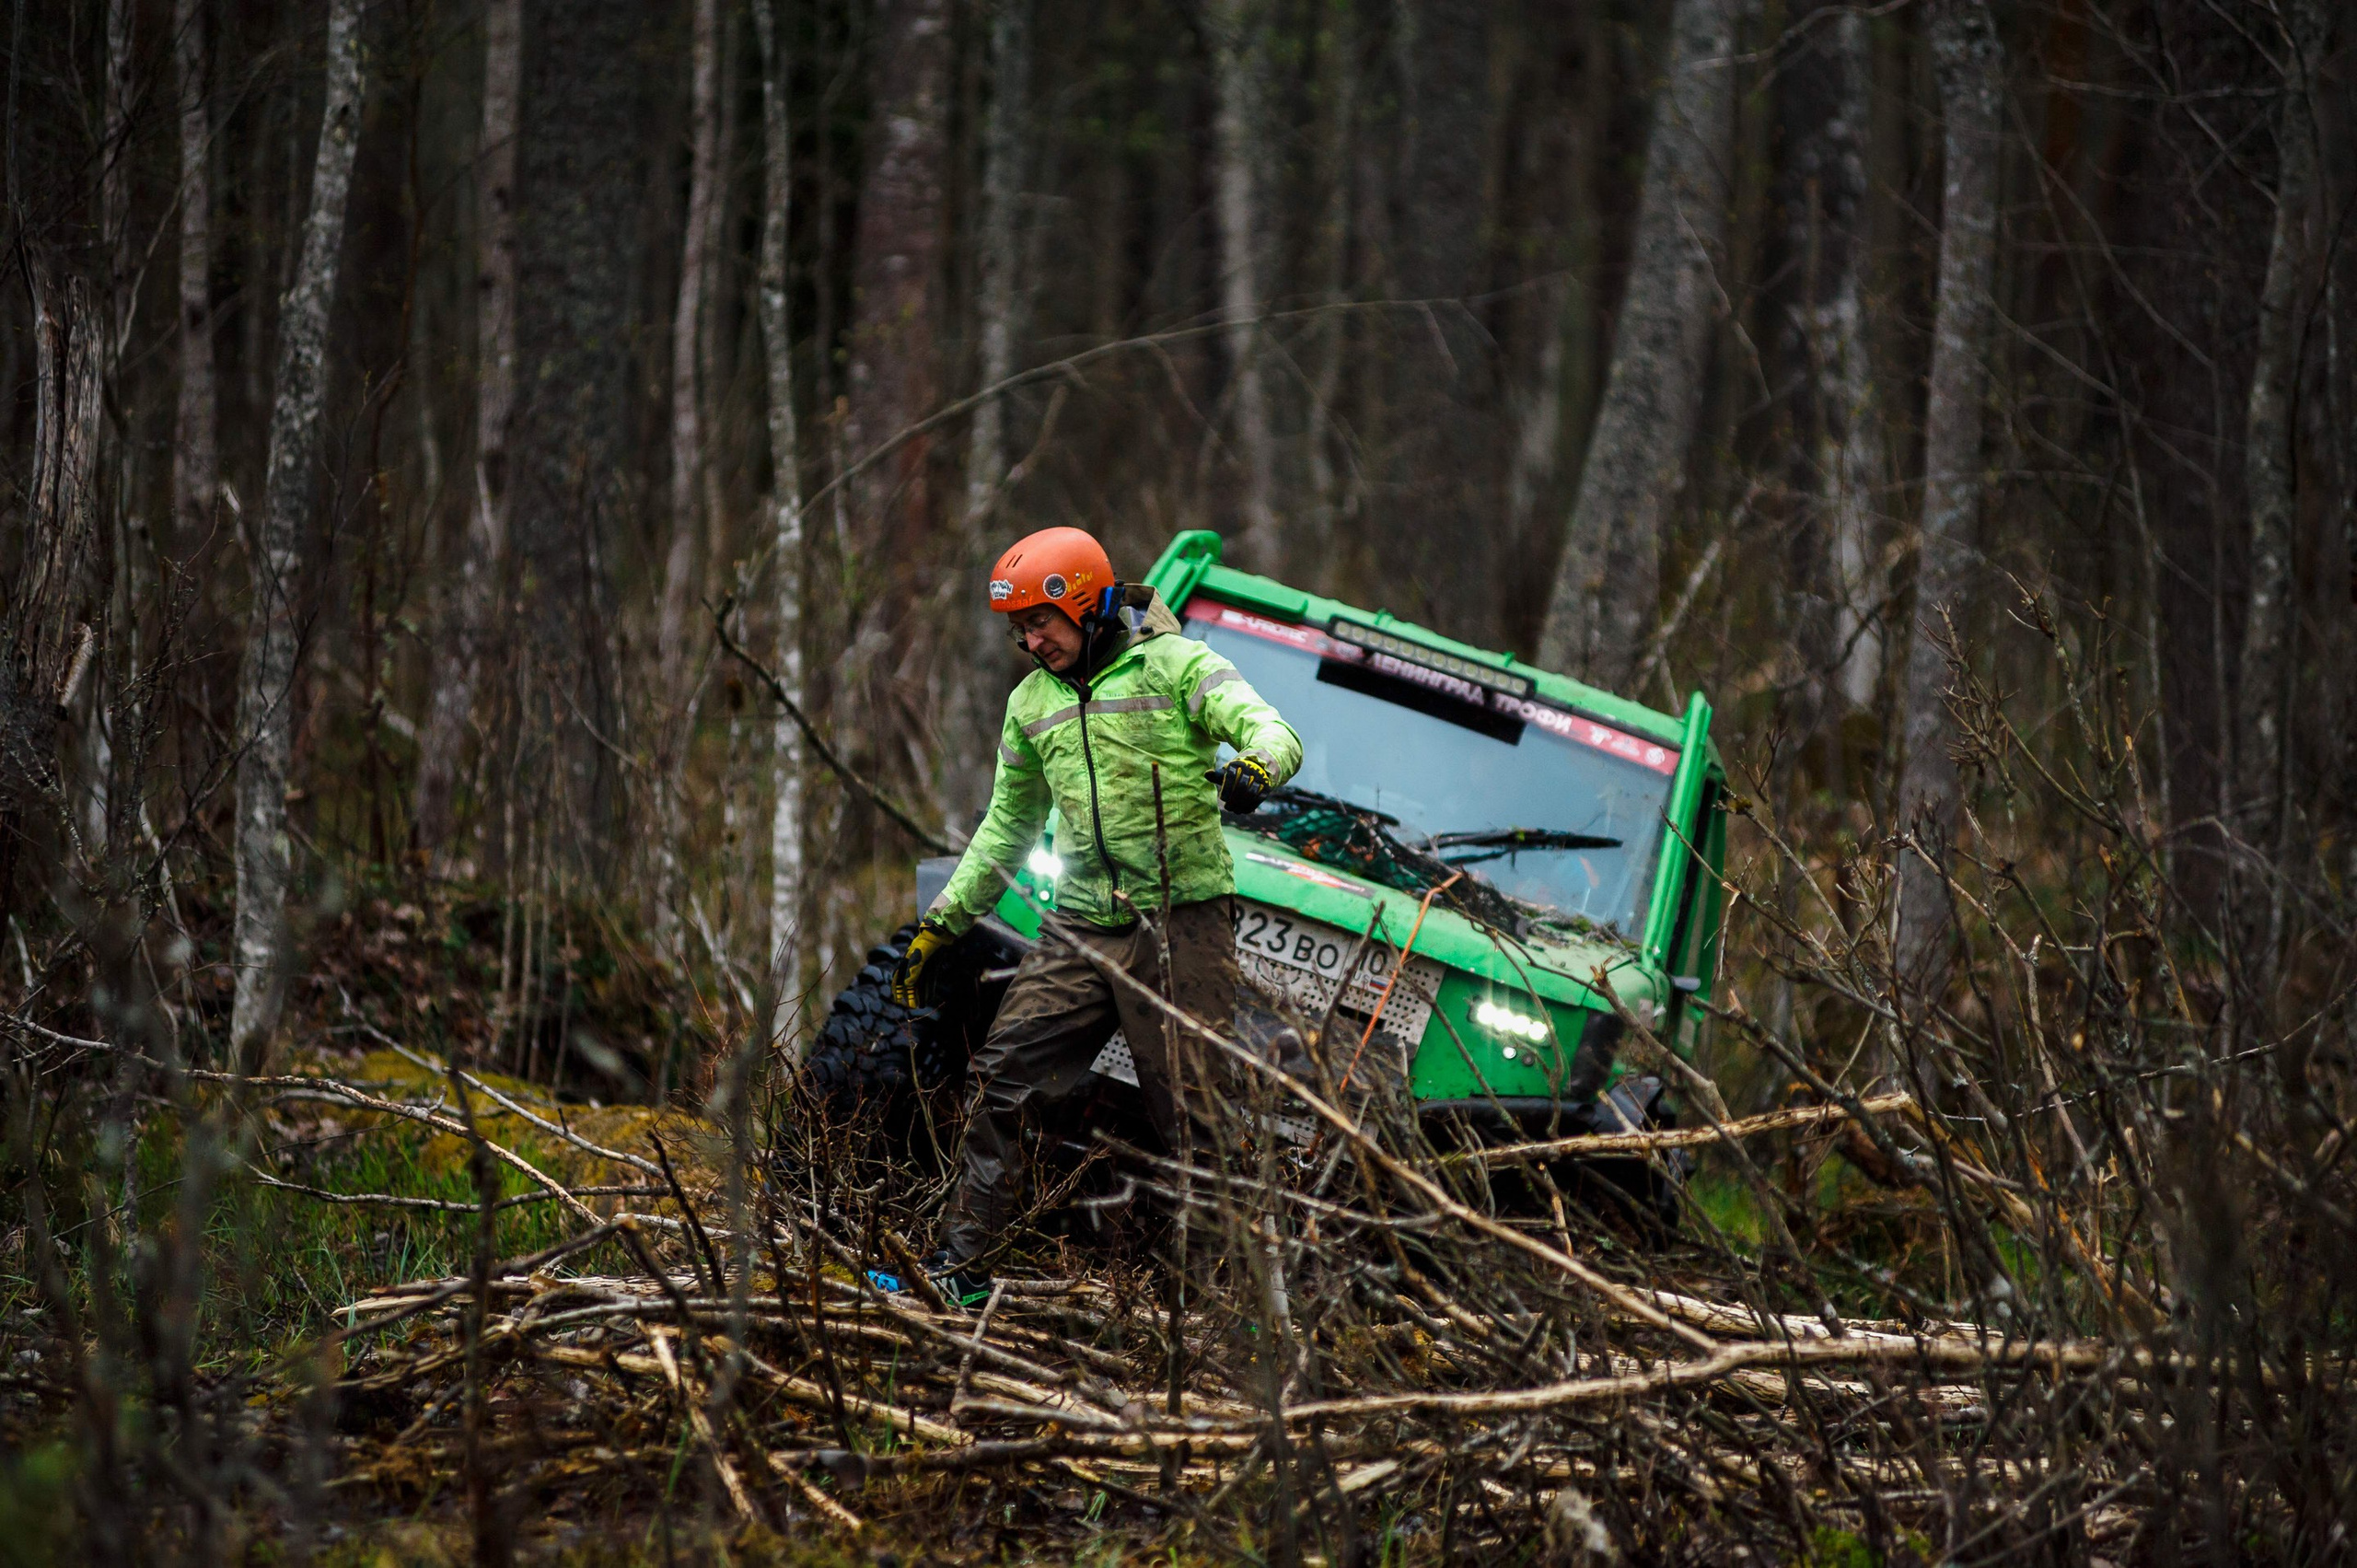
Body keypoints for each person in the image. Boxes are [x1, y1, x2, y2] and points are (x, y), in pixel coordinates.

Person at [884, 526, 1301, 1304]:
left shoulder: (1176, 665)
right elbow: (1005, 826)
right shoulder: (1030, 704)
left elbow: (1271, 728)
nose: (1030, 642)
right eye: (1018, 632)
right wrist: (941, 923)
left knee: (1199, 1121)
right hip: (1079, 926)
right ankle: (958, 1271)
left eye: (1039, 623)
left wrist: (1256, 767)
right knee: (1001, 1081)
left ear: (1084, 600)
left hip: (1180, 924)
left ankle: (1240, 1314)